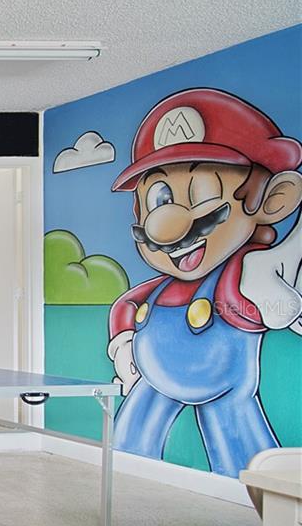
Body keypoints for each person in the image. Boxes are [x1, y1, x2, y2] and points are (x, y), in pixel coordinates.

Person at [108, 88, 302, 478]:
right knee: (129, 443)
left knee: (240, 449)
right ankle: (125, 475)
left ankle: (257, 489)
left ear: (273, 199)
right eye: (159, 199)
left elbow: (263, 301)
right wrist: (124, 342)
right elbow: (126, 305)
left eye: (201, 192)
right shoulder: (160, 288)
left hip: (223, 387)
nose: (163, 227)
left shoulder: (245, 273)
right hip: (152, 381)